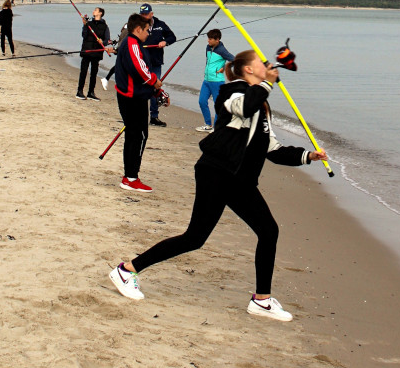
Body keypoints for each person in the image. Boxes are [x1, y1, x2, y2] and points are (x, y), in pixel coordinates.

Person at [107, 48, 327, 321]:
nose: (267, 65)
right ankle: (126, 271)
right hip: (218, 172)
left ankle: (262, 300)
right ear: (248, 70)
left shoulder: (260, 103)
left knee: (267, 231)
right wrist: (267, 83)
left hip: (239, 180)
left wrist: (307, 156)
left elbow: (272, 149)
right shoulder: (231, 93)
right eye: (261, 64)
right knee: (194, 238)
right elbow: (245, 105)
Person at [113, 13, 159, 192]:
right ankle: (131, 177)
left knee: (135, 135)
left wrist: (156, 90)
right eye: (147, 30)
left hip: (135, 96)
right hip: (131, 98)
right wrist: (154, 81)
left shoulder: (135, 43)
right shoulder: (131, 43)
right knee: (137, 136)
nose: (148, 33)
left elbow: (142, 67)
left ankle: (130, 176)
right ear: (138, 29)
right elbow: (140, 69)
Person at [138, 3, 176, 127]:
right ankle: (137, 115)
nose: (144, 16)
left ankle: (154, 117)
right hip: (141, 62)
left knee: (155, 88)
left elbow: (172, 37)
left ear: (151, 14)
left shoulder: (160, 25)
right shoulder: (137, 25)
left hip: (155, 62)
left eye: (146, 14)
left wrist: (165, 42)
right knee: (140, 88)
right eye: (142, 14)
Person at [197, 29, 232, 132]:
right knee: (202, 101)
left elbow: (234, 60)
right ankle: (208, 124)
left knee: (218, 105)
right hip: (207, 80)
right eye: (208, 38)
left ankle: (217, 127)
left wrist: (225, 67)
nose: (208, 41)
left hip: (217, 82)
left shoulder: (222, 50)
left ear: (217, 40)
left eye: (211, 39)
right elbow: (208, 62)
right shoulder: (208, 47)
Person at [78, 8, 112, 100]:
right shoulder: (89, 24)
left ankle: (91, 92)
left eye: (96, 10)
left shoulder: (105, 26)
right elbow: (84, 35)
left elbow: (107, 40)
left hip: (96, 52)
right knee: (83, 72)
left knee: (94, 73)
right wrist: (84, 25)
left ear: (100, 13)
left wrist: (103, 41)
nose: (93, 11)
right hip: (87, 50)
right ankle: (79, 91)